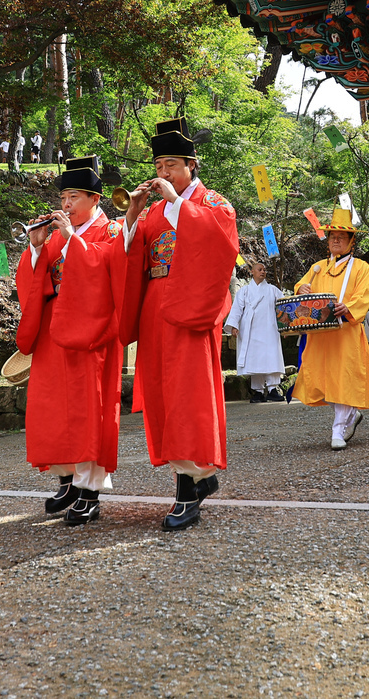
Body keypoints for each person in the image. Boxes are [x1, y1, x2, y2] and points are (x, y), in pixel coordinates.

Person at [119, 119, 238, 530]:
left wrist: (177, 204)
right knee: (162, 396)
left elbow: (221, 247)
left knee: (188, 396)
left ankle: (188, 488)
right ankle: (197, 478)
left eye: (171, 164)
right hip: (156, 309)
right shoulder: (152, 211)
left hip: (189, 309)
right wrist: (133, 217)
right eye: (159, 165)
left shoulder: (213, 203)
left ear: (192, 164)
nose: (163, 173)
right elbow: (132, 258)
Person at [15, 157, 124, 525]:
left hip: (90, 333)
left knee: (87, 409)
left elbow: (107, 272)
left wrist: (72, 240)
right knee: (52, 407)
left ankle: (90, 490)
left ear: (95, 199)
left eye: (73, 197)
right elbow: (32, 285)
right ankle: (68, 480)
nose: (65, 205)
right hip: (53, 331)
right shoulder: (58, 233)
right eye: (63, 197)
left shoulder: (109, 232)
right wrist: (34, 249)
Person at [292, 208, 369, 450]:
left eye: (341, 237)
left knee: (344, 379)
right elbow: (301, 284)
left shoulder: (361, 267)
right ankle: (350, 415)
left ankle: (338, 429)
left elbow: (364, 297)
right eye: (331, 237)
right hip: (320, 335)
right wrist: (301, 290)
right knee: (319, 380)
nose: (335, 240)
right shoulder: (318, 266)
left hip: (345, 332)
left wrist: (347, 307)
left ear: (352, 241)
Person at [225, 259, 287, 403]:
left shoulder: (273, 290)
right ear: (252, 272)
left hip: (270, 328)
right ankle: (258, 391)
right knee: (254, 359)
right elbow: (237, 310)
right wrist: (234, 326)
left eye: (264, 270)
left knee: (271, 356)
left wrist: (285, 327)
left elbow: (283, 308)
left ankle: (272, 389)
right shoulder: (244, 291)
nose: (263, 272)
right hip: (250, 330)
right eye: (260, 269)